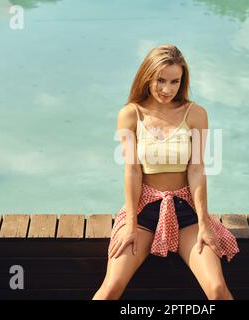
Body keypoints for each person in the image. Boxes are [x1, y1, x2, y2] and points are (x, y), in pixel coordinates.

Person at [92, 44, 239, 300]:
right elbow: (133, 171)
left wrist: (204, 223)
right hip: (143, 210)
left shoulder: (196, 114)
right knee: (111, 287)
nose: (167, 89)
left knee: (216, 289)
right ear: (147, 76)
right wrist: (130, 225)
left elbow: (196, 169)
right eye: (161, 80)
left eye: (174, 81)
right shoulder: (130, 114)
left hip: (186, 210)